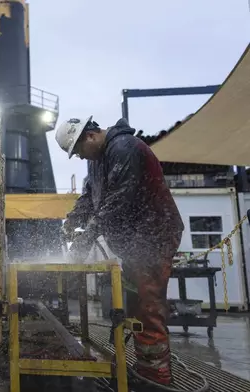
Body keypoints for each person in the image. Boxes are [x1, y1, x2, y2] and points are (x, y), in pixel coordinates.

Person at [55, 116, 184, 386]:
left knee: (148, 305)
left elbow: (117, 201)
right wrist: (73, 220)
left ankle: (157, 379)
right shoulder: (97, 160)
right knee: (135, 304)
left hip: (154, 237)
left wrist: (86, 238)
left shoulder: (125, 148)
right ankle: (146, 369)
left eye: (77, 151)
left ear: (89, 136)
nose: (78, 157)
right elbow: (91, 197)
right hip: (136, 242)